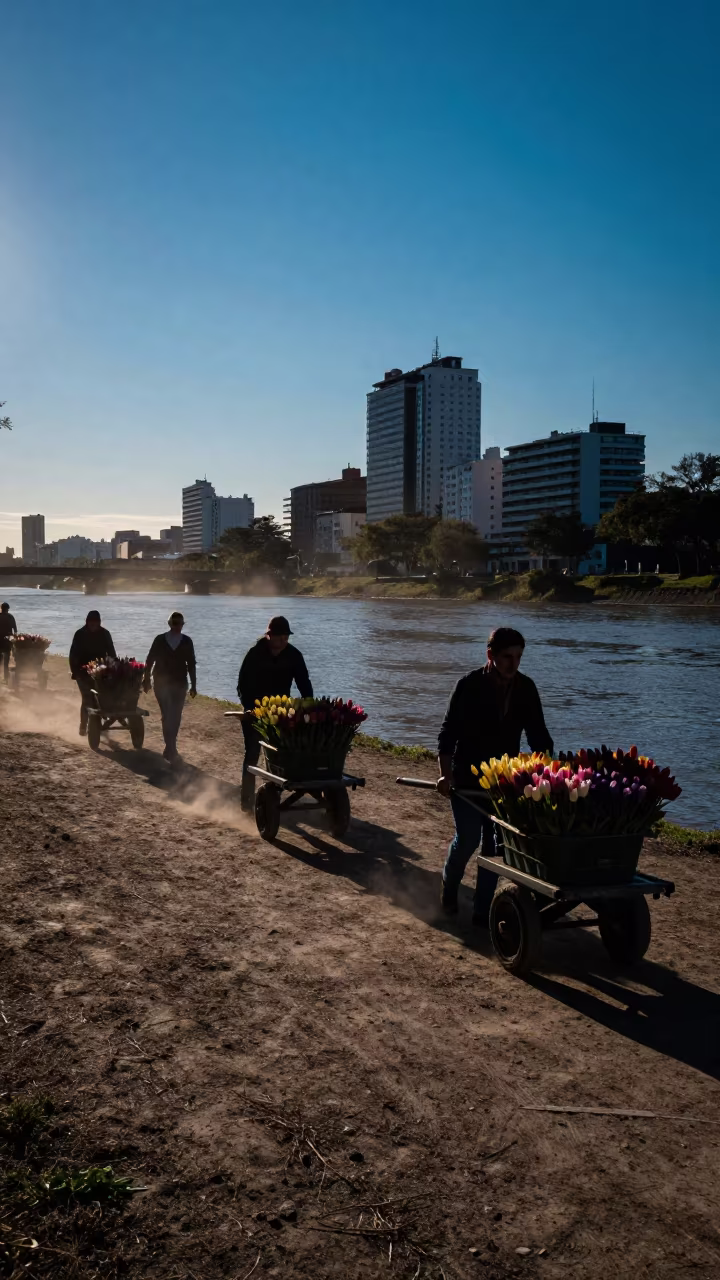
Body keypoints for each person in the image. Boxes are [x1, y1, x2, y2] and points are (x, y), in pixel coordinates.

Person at [437, 626, 553, 925]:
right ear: (490, 655)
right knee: (467, 839)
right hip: (466, 779)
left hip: (504, 782)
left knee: (494, 846)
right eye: (506, 657)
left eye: (518, 657)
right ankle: (449, 888)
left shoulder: (526, 688)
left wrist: (545, 773)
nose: (513, 664)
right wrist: (444, 776)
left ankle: (481, 910)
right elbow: (448, 735)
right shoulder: (468, 685)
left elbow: (539, 737)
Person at [237, 615, 313, 810]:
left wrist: (308, 707)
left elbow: (304, 683)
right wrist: (248, 708)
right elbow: (242, 685)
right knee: (252, 753)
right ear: (269, 636)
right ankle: (246, 800)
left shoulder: (294, 655)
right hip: (255, 711)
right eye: (280, 637)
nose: (283, 641)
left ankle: (272, 796)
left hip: (280, 712)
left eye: (286, 637)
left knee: (278, 755)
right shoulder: (254, 654)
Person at [143, 611, 197, 764]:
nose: (177, 626)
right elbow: (150, 659)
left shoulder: (187, 641)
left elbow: (191, 663)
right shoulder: (160, 640)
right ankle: (171, 748)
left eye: (180, 623)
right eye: (175, 623)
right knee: (167, 714)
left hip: (180, 682)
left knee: (176, 716)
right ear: (169, 624)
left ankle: (170, 747)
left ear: (183, 624)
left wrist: (194, 685)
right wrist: (146, 679)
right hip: (161, 682)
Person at [69, 610, 117, 735]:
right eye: (91, 622)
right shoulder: (80, 634)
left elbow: (111, 652)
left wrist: (114, 667)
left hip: (100, 671)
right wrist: (75, 671)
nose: (93, 625)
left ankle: (96, 724)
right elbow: (73, 654)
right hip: (82, 671)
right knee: (87, 699)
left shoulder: (105, 634)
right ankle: (83, 725)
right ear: (87, 622)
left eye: (96, 622)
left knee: (101, 697)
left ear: (99, 622)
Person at [0, 602, 17, 683]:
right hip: (7, 641)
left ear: (1, 608)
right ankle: (6, 678)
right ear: (8, 609)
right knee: (6, 660)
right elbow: (15, 630)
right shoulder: (10, 617)